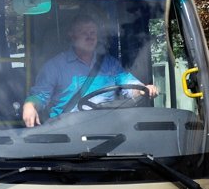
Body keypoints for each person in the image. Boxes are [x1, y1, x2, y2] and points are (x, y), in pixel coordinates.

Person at [22, 13, 158, 127]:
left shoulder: (110, 64)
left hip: (108, 129)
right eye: (84, 33)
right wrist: (29, 105)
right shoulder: (54, 66)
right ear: (72, 36)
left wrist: (142, 89)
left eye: (93, 32)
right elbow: (40, 95)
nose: (90, 36)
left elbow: (127, 84)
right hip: (68, 131)